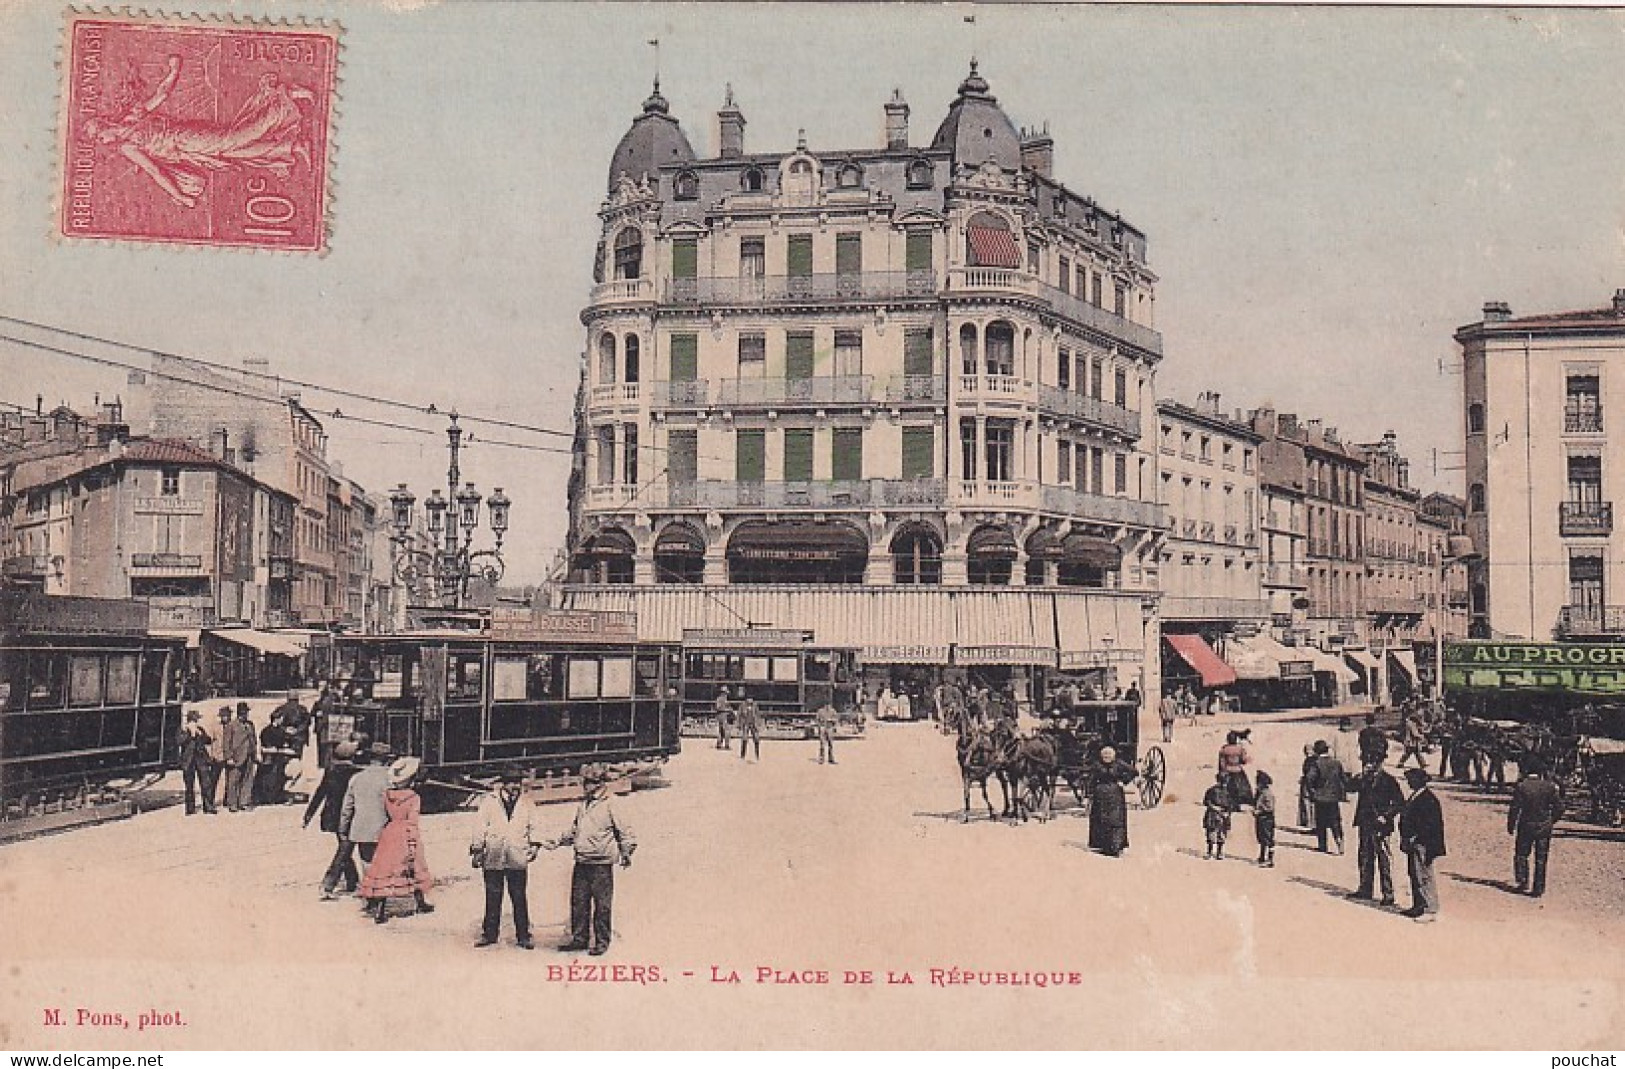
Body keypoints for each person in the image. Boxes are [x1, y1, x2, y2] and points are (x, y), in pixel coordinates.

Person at [543, 763, 636, 956]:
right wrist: (557, 841)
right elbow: (575, 830)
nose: (586, 786)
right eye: (585, 782)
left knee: (602, 906)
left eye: (590, 782)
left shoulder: (612, 803)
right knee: (579, 903)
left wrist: (626, 852)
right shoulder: (583, 804)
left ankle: (602, 942)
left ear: (600, 783)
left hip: (601, 863)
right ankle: (580, 939)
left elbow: (625, 831)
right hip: (582, 861)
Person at [356, 757, 435, 925]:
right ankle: (420, 902)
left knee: (385, 870)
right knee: (413, 867)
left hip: (390, 833)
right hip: (405, 832)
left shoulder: (388, 795)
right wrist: (413, 843)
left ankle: (380, 910)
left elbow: (386, 814)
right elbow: (412, 821)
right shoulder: (414, 797)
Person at [471, 771, 541, 949]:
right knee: (493, 896)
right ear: (503, 784)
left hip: (516, 855)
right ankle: (489, 934)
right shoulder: (489, 801)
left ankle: (523, 936)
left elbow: (535, 825)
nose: (515, 786)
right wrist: (478, 849)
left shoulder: (527, 803)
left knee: (519, 896)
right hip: (494, 854)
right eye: (511, 782)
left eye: (518, 782)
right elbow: (479, 826)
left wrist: (534, 845)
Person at [303, 741, 362, 900]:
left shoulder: (331, 771)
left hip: (333, 816)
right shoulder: (356, 773)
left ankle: (352, 881)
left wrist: (308, 815)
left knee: (345, 847)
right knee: (345, 849)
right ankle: (328, 884)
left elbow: (320, 793)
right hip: (350, 815)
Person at [1348, 760, 1404, 907]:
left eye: (1371, 763)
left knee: (1384, 859)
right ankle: (1365, 889)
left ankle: (1388, 894)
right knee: (1365, 857)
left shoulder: (1389, 780)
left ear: (1379, 764)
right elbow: (1349, 788)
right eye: (1366, 763)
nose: (1367, 766)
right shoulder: (1364, 779)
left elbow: (1399, 802)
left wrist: (1386, 816)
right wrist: (1357, 778)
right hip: (1365, 823)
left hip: (1381, 826)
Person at [1507, 757, 1564, 898]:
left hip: (1526, 825)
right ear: (1540, 772)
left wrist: (1511, 824)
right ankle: (1538, 888)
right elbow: (1560, 807)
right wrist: (1551, 820)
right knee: (1541, 857)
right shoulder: (1550, 787)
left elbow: (1515, 808)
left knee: (1521, 854)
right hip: (1544, 826)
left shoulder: (1522, 786)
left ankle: (1522, 882)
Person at [340, 742, 395, 881]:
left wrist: (343, 829)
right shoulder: (390, 781)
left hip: (361, 829)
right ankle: (379, 896)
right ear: (387, 760)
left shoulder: (356, 778)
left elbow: (347, 808)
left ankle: (371, 896)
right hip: (384, 829)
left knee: (367, 862)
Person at [1399, 767, 1445, 922]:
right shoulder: (1417, 796)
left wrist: (1415, 837)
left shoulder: (1427, 799)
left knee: (1424, 875)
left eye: (1411, 780)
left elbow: (1430, 825)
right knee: (1414, 873)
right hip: (1414, 842)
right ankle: (1418, 905)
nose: (1409, 783)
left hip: (1423, 843)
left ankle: (1430, 908)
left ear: (1419, 781)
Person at [1088, 745, 1137, 857]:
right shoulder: (1097, 765)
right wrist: (1090, 793)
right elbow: (1092, 779)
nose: (1107, 757)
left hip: (1115, 796)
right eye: (1104, 755)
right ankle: (1103, 846)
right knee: (1101, 820)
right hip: (1100, 796)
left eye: (1109, 755)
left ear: (1113, 755)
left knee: (1115, 820)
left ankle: (1115, 847)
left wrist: (1124, 781)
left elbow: (1134, 771)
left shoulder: (1119, 763)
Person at [1306, 740, 1348, 854]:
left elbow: (1309, 779)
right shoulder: (1336, 763)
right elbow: (1344, 779)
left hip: (1321, 798)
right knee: (1336, 821)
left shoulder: (1316, 763)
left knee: (1321, 822)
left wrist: (1312, 792)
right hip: (1334, 798)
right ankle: (1339, 842)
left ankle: (1323, 845)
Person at [175, 710, 218, 816]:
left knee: (206, 784)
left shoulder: (200, 729)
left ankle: (208, 807)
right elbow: (178, 741)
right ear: (189, 721)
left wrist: (201, 734)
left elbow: (208, 740)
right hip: (188, 761)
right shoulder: (182, 730)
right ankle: (190, 809)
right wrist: (190, 734)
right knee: (189, 786)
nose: (196, 722)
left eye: (196, 720)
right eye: (194, 720)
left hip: (201, 760)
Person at [221, 703, 259, 812]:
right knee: (233, 781)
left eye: (246, 712)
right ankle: (232, 803)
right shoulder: (231, 725)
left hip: (249, 756)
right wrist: (228, 757)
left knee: (248, 779)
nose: (246, 715)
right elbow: (226, 743)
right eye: (243, 713)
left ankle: (244, 802)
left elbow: (254, 740)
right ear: (239, 713)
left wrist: (254, 753)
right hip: (236, 757)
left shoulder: (250, 724)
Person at [255, 711, 296, 805]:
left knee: (276, 778)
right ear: (276, 719)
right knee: (270, 778)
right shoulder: (268, 731)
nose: (282, 720)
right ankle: (268, 797)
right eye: (281, 718)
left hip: (277, 758)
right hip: (270, 758)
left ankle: (272, 797)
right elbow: (267, 745)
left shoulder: (277, 730)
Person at [1217, 731, 1254, 809]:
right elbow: (1243, 760)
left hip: (1227, 770)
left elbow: (1221, 763)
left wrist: (1222, 771)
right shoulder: (1240, 749)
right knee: (1242, 788)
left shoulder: (1224, 749)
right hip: (1238, 770)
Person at [1202, 773, 1232, 861]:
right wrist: (1215, 808)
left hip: (1224, 815)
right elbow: (1207, 802)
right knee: (1211, 833)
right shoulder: (1212, 790)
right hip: (1213, 814)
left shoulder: (1228, 792)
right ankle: (1210, 852)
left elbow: (1231, 805)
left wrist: (1227, 812)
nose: (1224, 784)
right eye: (1223, 781)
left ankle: (1219, 853)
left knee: (1221, 834)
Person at [274, 692, 311, 760]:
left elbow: (274, 720)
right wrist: (297, 730)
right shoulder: (303, 709)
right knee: (297, 755)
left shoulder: (281, 708)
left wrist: (285, 729)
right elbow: (307, 722)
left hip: (285, 735)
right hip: (298, 737)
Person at [1254, 770, 1277, 867]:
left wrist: (1260, 810)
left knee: (1268, 839)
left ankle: (1270, 860)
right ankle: (1262, 857)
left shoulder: (1267, 794)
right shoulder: (1260, 792)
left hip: (1266, 818)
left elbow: (1269, 807)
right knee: (1262, 838)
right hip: (1261, 818)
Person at [1296, 742, 1317, 829]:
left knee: (1310, 804)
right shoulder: (1310, 760)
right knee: (1307, 804)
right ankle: (1309, 823)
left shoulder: (1312, 760)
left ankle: (1311, 824)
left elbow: (1311, 774)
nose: (1307, 753)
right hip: (1307, 784)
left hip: (1310, 785)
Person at [736, 696, 762, 761]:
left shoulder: (755, 706)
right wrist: (739, 725)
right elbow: (739, 715)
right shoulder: (742, 705)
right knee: (744, 739)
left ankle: (757, 755)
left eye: (751, 699)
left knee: (756, 739)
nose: (750, 700)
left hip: (753, 724)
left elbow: (758, 715)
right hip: (745, 723)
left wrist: (758, 724)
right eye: (749, 699)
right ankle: (743, 755)